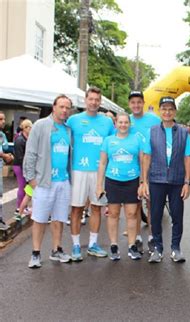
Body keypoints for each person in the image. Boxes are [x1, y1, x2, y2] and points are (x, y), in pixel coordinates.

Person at [23, 95, 73, 268]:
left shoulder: (67, 130)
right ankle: (36, 253)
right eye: (61, 106)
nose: (64, 110)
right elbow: (30, 153)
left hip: (63, 181)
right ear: (54, 107)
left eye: (67, 107)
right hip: (44, 181)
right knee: (39, 219)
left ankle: (56, 249)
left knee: (59, 218)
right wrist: (30, 179)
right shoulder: (40, 125)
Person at [66, 87, 115, 261]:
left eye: (97, 99)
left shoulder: (107, 123)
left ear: (100, 102)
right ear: (85, 100)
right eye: (91, 99)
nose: (94, 102)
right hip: (78, 169)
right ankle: (76, 245)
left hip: (99, 171)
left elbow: (113, 144)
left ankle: (93, 244)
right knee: (77, 208)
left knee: (96, 207)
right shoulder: (73, 120)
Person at [141, 97, 190, 263]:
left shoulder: (184, 132)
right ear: (160, 111)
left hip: (177, 181)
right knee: (155, 215)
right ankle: (157, 248)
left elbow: (187, 158)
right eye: (164, 108)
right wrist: (144, 182)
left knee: (177, 216)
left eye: (170, 109)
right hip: (156, 179)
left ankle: (176, 248)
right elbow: (147, 157)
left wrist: (187, 182)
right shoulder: (152, 131)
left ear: (175, 111)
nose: (167, 112)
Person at [97, 113, 150, 261]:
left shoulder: (137, 139)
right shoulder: (108, 141)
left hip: (132, 180)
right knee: (113, 214)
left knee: (132, 214)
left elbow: (142, 162)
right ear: (116, 123)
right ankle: (114, 245)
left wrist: (142, 182)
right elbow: (102, 163)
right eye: (120, 122)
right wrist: (98, 185)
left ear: (129, 124)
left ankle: (132, 245)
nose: (123, 125)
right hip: (112, 180)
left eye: (126, 122)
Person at [128, 90, 161, 253]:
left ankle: (152, 237)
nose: (136, 105)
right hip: (132, 167)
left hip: (152, 166)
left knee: (151, 204)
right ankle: (137, 237)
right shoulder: (126, 120)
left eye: (139, 102)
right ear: (129, 104)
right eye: (133, 102)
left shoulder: (154, 119)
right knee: (134, 205)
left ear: (143, 103)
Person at [13, 119, 33, 218]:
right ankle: (18, 208)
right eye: (30, 127)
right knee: (22, 186)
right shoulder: (20, 140)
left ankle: (23, 207)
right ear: (25, 128)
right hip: (19, 166)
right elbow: (19, 156)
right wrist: (26, 168)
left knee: (25, 187)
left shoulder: (25, 138)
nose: (31, 129)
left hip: (23, 165)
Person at [0, 111, 14, 230]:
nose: (3, 121)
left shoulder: (1, 135)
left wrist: (6, 155)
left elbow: (4, 148)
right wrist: (5, 156)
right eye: (0, 119)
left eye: (4, 119)